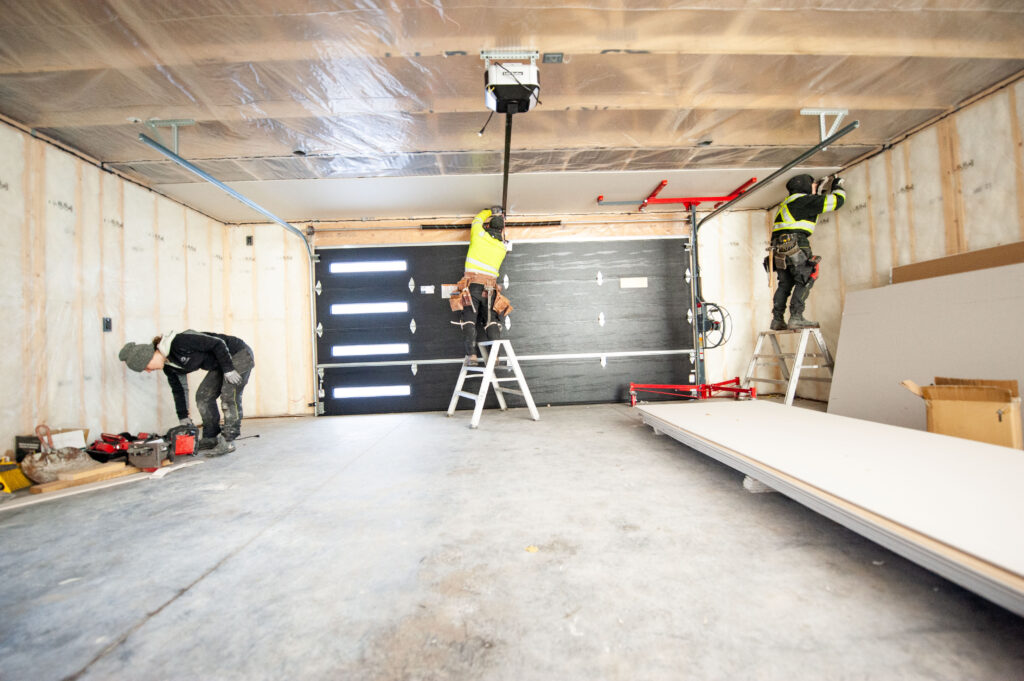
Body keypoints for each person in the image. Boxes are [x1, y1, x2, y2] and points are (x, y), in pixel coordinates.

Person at [118, 330, 254, 457]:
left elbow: (218, 343)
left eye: (146, 367)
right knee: (203, 396)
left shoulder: (179, 342)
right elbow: (179, 389)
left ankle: (228, 440)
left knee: (229, 394)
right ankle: (211, 437)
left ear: (149, 357)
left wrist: (228, 369)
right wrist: (183, 416)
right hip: (221, 364)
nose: (148, 371)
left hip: (238, 353)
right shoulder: (169, 367)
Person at [767, 173, 846, 330]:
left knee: (785, 284)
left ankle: (777, 320)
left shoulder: (787, 203)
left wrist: (817, 191)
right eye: (813, 184)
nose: (814, 187)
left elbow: (813, 203)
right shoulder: (802, 202)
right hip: (795, 243)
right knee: (807, 277)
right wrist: (837, 185)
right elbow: (837, 201)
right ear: (804, 186)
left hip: (778, 248)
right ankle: (796, 317)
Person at [449, 206, 513, 362]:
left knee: (470, 319)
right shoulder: (502, 248)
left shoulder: (478, 235)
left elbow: (477, 220)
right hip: (490, 290)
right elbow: (501, 238)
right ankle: (495, 357)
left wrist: (490, 212)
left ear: (488, 226)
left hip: (473, 286)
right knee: (491, 322)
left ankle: (471, 354)